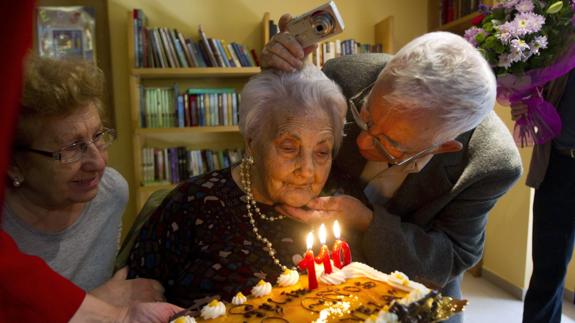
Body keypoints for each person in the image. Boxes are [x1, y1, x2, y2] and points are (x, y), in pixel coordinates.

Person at [261, 15, 523, 322]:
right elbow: (280, 138)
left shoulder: (490, 163)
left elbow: (450, 257)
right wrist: (276, 80)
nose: (362, 142)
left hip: (416, 277)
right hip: (325, 261)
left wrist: (366, 220)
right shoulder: (344, 79)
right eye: (366, 116)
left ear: (443, 146)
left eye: (389, 143)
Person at [0, 3, 183, 322]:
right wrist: (103, 300)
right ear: (14, 164)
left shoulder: (111, 192)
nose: (97, 162)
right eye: (71, 149)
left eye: (98, 136)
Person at [127, 64, 349, 307]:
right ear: (252, 143)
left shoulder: (337, 210)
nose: (307, 169)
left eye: (321, 152)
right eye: (289, 147)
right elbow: (136, 300)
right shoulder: (193, 204)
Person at [512, 69, 575, 322]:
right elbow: (532, 103)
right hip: (558, 169)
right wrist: (522, 104)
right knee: (548, 270)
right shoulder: (562, 53)